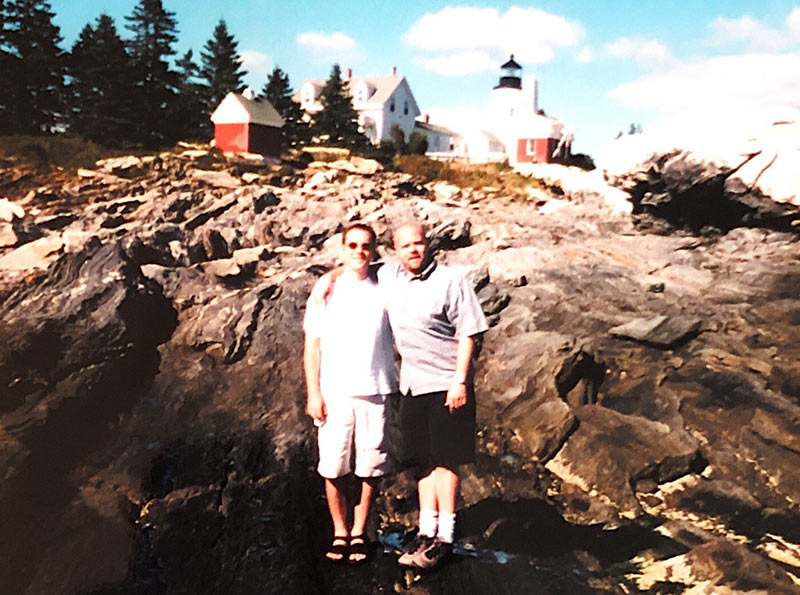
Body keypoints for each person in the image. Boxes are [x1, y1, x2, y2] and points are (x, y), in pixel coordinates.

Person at [313, 221, 488, 569]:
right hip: (411, 386)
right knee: (422, 462)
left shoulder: (451, 280)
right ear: (395, 250)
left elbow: (470, 333)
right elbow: (356, 263)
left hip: (445, 384)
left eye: (418, 243)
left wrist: (460, 381)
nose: (413, 250)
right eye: (405, 245)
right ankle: (426, 531)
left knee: (445, 461)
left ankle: (445, 537)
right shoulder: (391, 275)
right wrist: (326, 278)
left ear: (428, 244)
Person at [303, 223, 397, 564]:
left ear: (374, 251)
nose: (360, 251)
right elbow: (311, 347)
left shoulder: (385, 285)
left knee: (370, 466)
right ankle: (340, 531)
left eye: (366, 246)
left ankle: (359, 532)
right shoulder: (325, 292)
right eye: (353, 245)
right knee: (333, 466)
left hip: (375, 389)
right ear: (342, 249)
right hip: (334, 391)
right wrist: (314, 394)